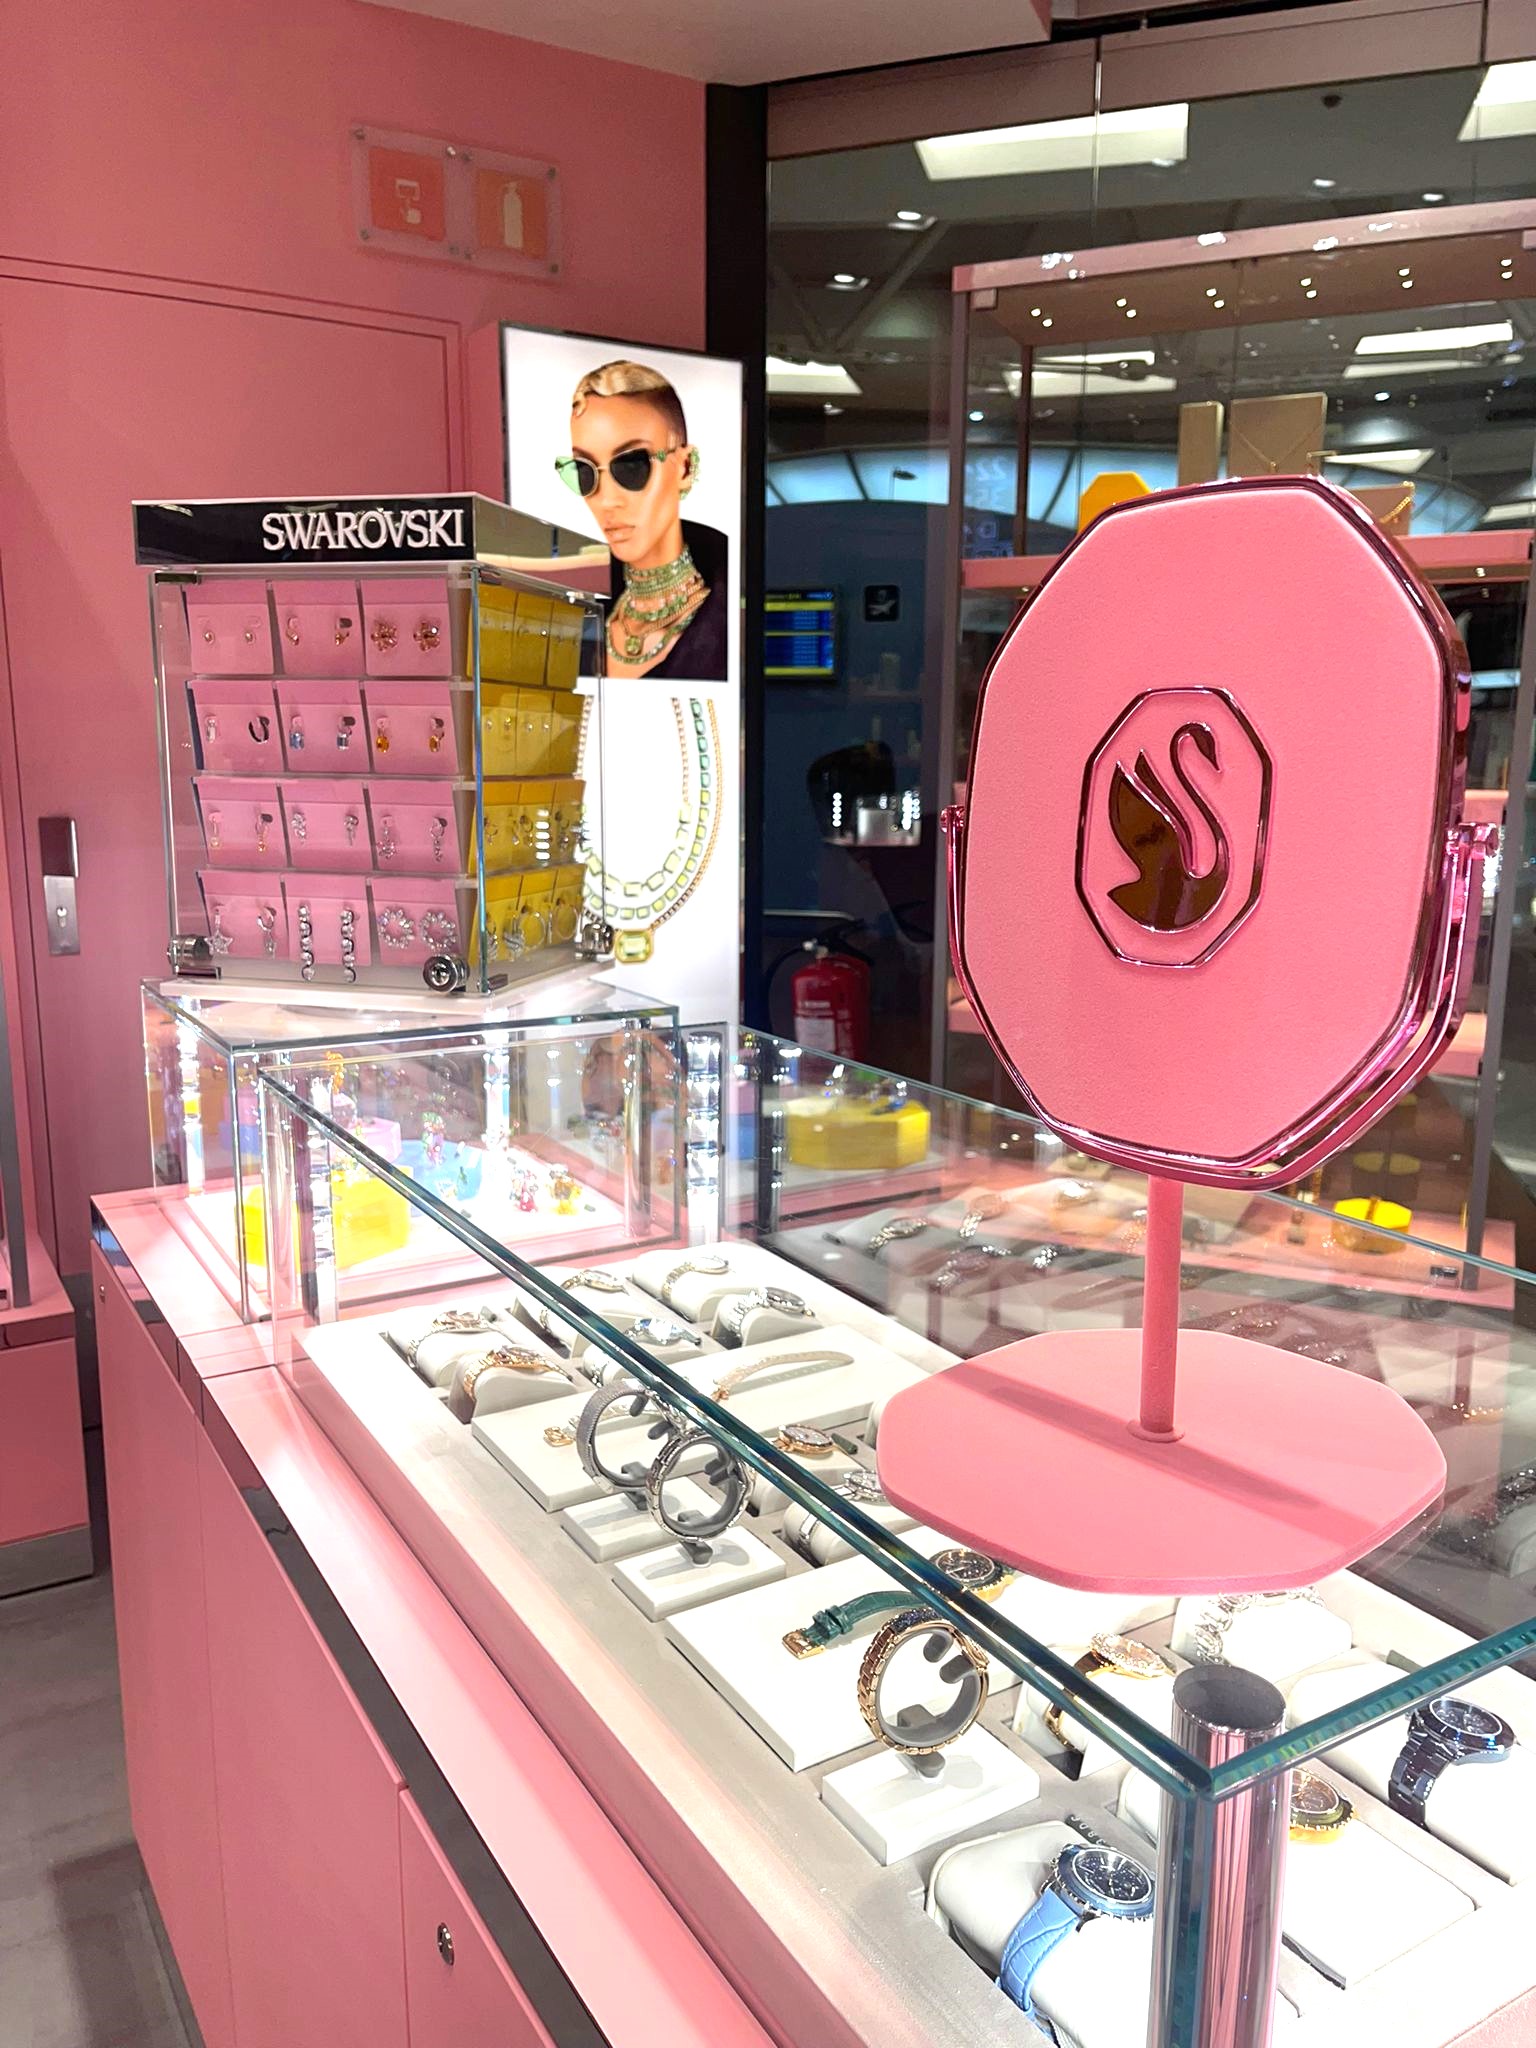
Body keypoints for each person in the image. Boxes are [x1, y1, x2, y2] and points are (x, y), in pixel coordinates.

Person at [556, 360, 728, 680]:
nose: (607, 499)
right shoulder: (573, 618)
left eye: (632, 465)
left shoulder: (727, 624)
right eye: (584, 470)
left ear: (685, 467)